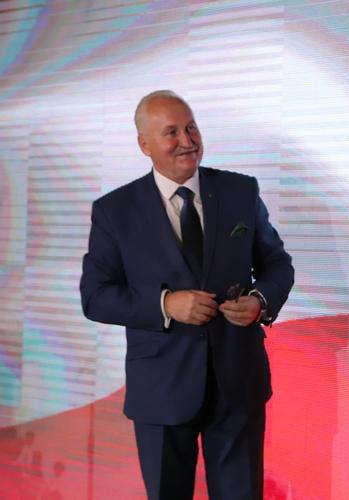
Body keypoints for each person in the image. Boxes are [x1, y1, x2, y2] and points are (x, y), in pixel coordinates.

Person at [80, 90, 294, 499]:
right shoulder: (114, 211)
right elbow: (95, 296)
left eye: (191, 127)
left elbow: (277, 264)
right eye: (172, 132)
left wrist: (259, 301)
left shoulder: (240, 191)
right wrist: (165, 304)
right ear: (144, 144)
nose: (187, 140)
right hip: (161, 389)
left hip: (238, 383)